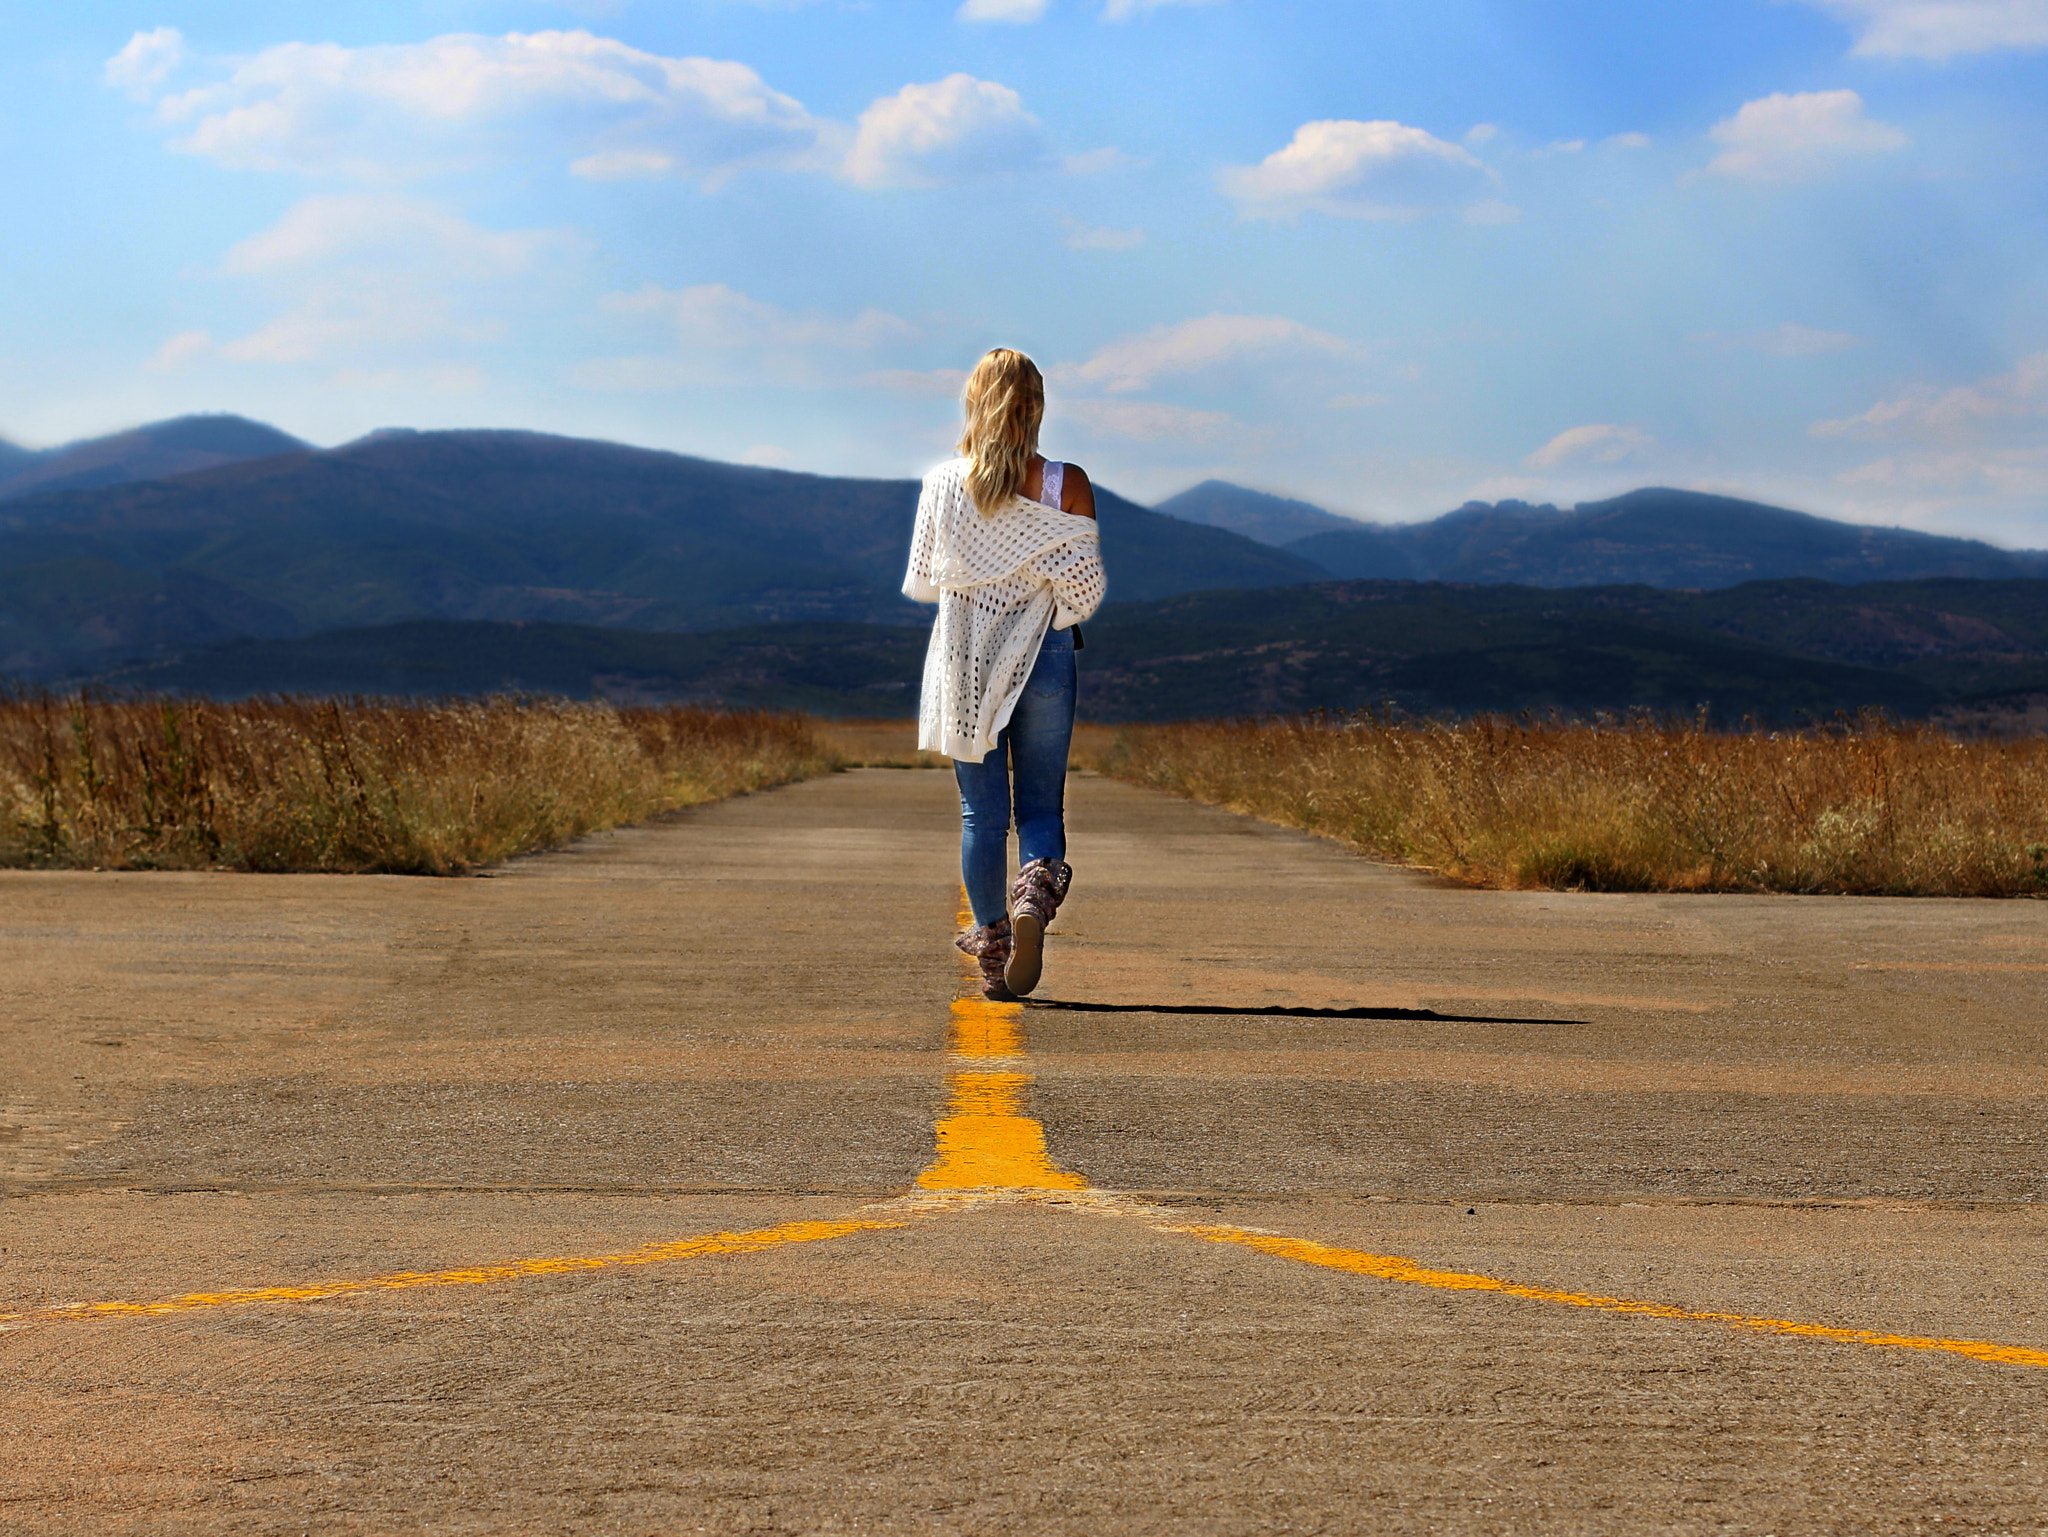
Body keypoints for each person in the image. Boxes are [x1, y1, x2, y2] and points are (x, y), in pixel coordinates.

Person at [903, 348, 1107, 1000]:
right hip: (1047, 652)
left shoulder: (941, 484)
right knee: (1041, 807)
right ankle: (1031, 904)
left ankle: (995, 946)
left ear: (975, 402)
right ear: (1035, 405)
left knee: (981, 815)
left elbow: (930, 580)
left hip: (966, 659)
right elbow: (1085, 591)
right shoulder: (1064, 482)